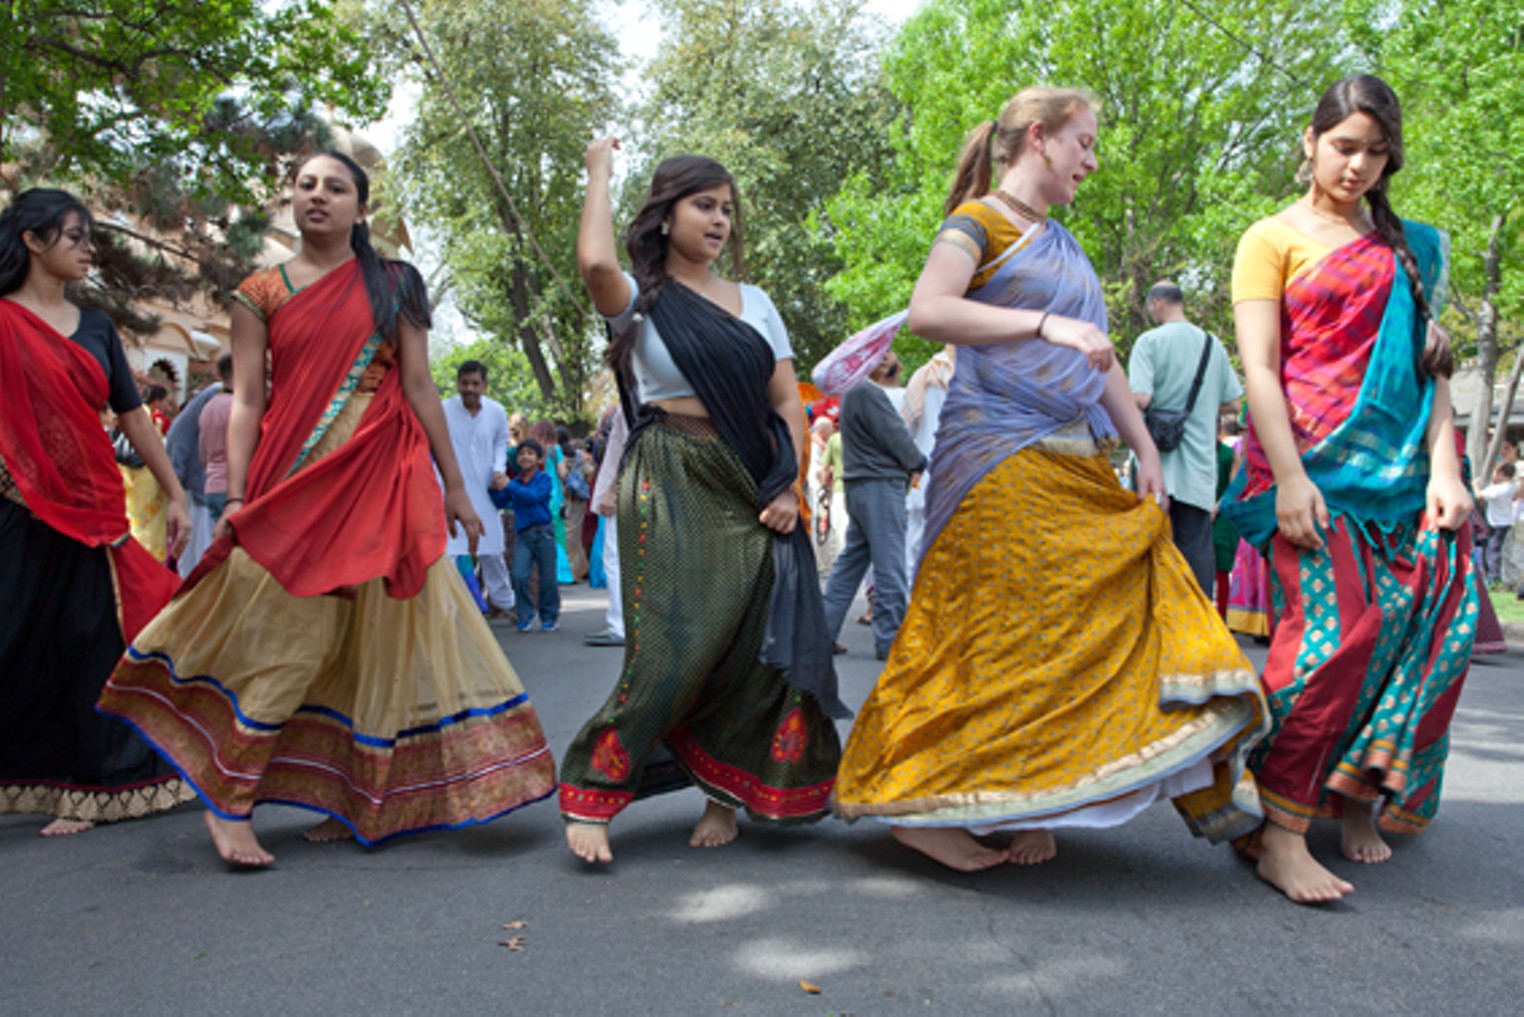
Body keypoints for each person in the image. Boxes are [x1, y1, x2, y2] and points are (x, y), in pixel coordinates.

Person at [830, 87, 1267, 873]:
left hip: (1074, 458)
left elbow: (1095, 360)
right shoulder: (977, 225)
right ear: (1039, 138)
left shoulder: (1064, 243)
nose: (1092, 161)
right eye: (1085, 144)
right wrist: (1042, 323)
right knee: (994, 639)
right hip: (992, 459)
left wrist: (1147, 451)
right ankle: (921, 805)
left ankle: (1036, 794)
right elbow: (927, 311)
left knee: (1078, 625)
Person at [98, 152, 556, 867]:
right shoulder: (259, 291)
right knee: (287, 627)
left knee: (377, 630)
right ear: (292, 200)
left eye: (336, 187)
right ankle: (230, 796)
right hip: (297, 478)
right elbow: (248, 400)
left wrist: (459, 488)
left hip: (381, 471)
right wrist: (243, 494)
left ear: (360, 208)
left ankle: (349, 793)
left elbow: (419, 385)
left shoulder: (395, 282)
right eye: (306, 186)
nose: (318, 196)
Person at [1222, 75, 1476, 903]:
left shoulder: (1415, 250)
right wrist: (1289, 477)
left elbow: (1430, 374)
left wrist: (1445, 470)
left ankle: (1346, 798)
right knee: (1335, 633)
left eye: (1375, 151)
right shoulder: (1271, 237)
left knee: (1415, 632)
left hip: (1407, 478)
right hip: (1305, 468)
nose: (1358, 165)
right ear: (1309, 140)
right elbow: (1259, 366)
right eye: (1344, 146)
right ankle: (1280, 828)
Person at [559, 138, 846, 864]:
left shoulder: (757, 304)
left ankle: (723, 795)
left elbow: (786, 401)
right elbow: (594, 264)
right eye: (703, 205)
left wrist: (786, 484)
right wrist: (599, 172)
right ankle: (595, 788)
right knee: (671, 645)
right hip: (671, 475)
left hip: (750, 474)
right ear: (665, 215)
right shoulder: (640, 300)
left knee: (752, 645)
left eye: (726, 209)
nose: (719, 220)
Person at [0, 187, 194, 835]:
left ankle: (90, 786)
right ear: (32, 239)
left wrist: (174, 490)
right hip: (15, 504)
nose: (89, 248)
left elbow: (132, 415)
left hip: (89, 507)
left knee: (87, 641)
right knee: (12, 638)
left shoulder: (96, 327)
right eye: (75, 235)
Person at [1128, 281, 1243, 596]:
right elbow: (1234, 403)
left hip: (1154, 472)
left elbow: (1141, 398)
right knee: (1196, 557)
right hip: (1198, 472)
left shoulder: (1148, 342)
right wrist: (1202, 408)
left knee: (1149, 554)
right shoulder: (1212, 345)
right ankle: (1199, 634)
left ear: (1156, 305)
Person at [820, 350, 927, 659]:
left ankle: (823, 634)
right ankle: (890, 641)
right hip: (880, 484)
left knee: (850, 564)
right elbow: (897, 438)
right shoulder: (868, 393)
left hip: (858, 484)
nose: (898, 365)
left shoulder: (852, 393)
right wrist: (918, 461)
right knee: (890, 565)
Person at [443, 359, 514, 615]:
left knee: (492, 550)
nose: (470, 389)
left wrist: (498, 469)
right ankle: (448, 608)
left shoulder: (496, 411)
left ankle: (505, 602)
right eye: (465, 383)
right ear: (458, 384)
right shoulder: (443, 410)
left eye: (475, 383)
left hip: (485, 488)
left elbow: (501, 442)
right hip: (452, 488)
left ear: (485, 386)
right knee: (449, 551)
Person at [166, 355, 228, 575]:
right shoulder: (216, 394)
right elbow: (180, 434)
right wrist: (177, 481)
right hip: (205, 487)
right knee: (199, 560)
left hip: (213, 485)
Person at [493, 439, 560, 632]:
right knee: (518, 575)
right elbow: (499, 502)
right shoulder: (513, 482)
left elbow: (533, 497)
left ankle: (549, 616)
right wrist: (494, 486)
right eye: (521, 453)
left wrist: (509, 486)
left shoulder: (544, 480)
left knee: (547, 578)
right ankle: (525, 613)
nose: (525, 457)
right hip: (523, 534)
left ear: (539, 459)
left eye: (530, 453)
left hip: (544, 532)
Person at [901, 346, 954, 577]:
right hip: (963, 476)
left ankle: (913, 606)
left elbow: (906, 429)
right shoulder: (977, 377)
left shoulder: (923, 376)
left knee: (915, 548)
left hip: (924, 475)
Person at [198, 354, 235, 526]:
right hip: (233, 490)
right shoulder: (238, 407)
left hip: (212, 485)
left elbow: (203, 455)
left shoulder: (209, 406)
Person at [1476, 462, 1515, 584]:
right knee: (1499, 549)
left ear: (1501, 473)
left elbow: (1479, 495)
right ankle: (1496, 575)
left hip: (1496, 523)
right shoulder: (1512, 486)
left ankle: (1493, 577)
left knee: (1493, 550)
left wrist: (1475, 485)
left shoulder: (1497, 489)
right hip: (1506, 521)